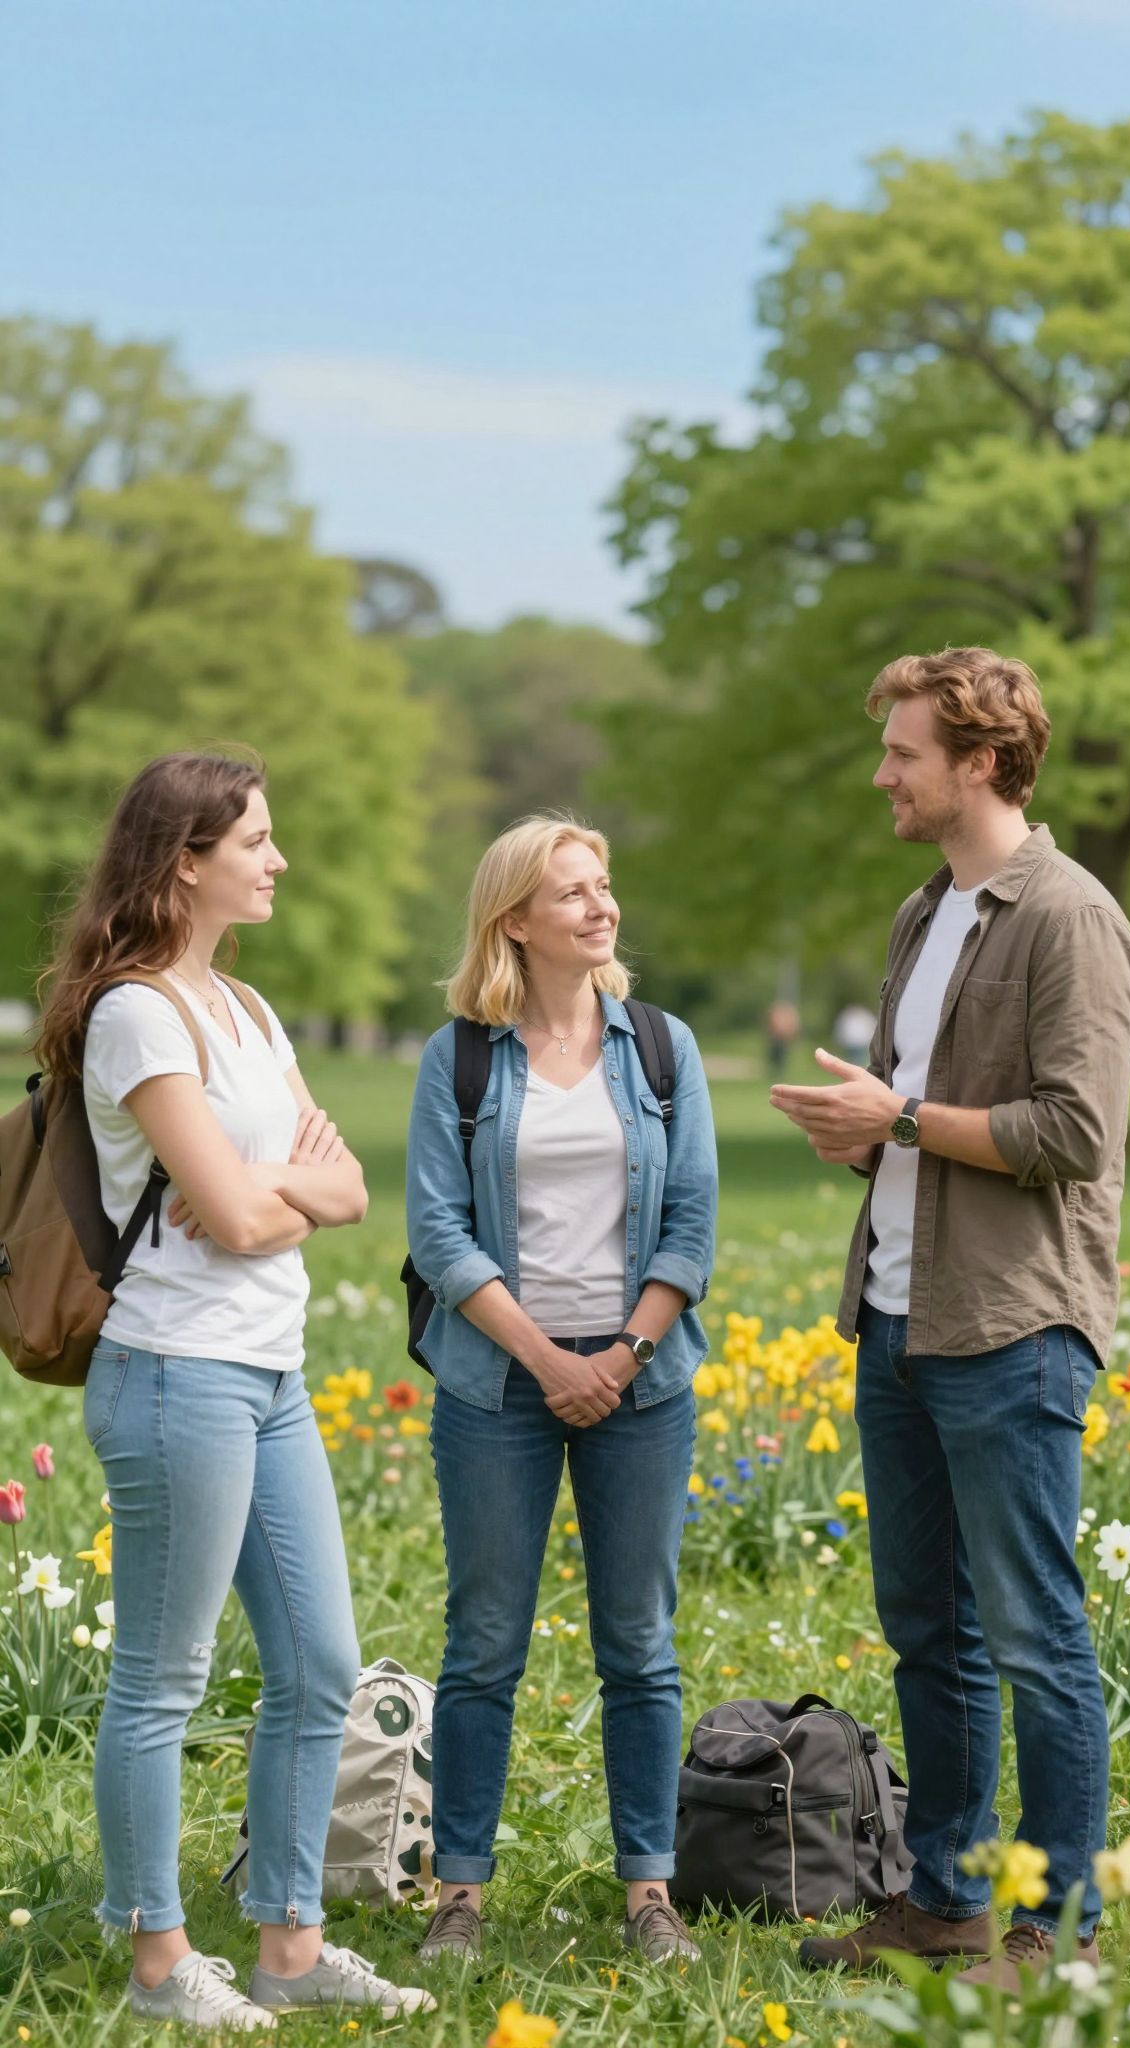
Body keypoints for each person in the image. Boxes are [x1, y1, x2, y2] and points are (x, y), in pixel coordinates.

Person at [37, 752, 433, 2031]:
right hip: (174, 1374)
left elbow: (345, 1191)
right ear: (185, 859)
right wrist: (280, 1198)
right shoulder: (139, 1013)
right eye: (256, 840)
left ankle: (289, 1943)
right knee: (164, 1676)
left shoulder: (251, 1014)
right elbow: (229, 1208)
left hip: (272, 1372)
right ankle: (158, 1962)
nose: (278, 860)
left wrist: (289, 1199)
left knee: (319, 1663)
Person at [769, 648, 1130, 1988]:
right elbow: (916, 1117)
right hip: (897, 1322)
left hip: (1010, 1332)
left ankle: (1053, 1937)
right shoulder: (926, 912)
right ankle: (947, 1903)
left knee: (1037, 1637)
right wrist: (864, 1132)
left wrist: (904, 1120)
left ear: (981, 761)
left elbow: (1079, 1133)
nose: (885, 773)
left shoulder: (1071, 917)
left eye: (905, 754)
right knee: (929, 1624)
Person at [406, 815, 718, 1964]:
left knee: (639, 1640)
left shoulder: (664, 1047)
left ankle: (650, 1892)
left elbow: (691, 1225)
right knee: (484, 1640)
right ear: (516, 921)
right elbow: (438, 1230)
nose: (601, 906)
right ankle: (461, 1893)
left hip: (642, 1379)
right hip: (499, 1382)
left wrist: (622, 1357)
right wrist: (547, 1359)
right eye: (572, 892)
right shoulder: (463, 1057)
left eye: (605, 886)